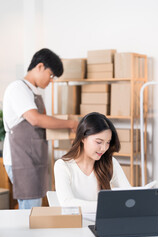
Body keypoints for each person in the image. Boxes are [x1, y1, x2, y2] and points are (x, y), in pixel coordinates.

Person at [3, 48, 78, 209]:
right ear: (40, 67)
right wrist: (71, 124)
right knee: (30, 209)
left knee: (34, 208)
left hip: (33, 159)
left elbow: (43, 125)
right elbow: (36, 120)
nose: (51, 81)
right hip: (21, 160)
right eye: (51, 75)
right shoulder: (18, 88)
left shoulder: (33, 92)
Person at [54, 112, 131, 213]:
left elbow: (129, 194)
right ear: (83, 138)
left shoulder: (110, 162)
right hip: (76, 225)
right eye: (99, 142)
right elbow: (67, 203)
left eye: (107, 142)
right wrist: (108, 205)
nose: (103, 148)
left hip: (104, 224)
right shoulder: (63, 166)